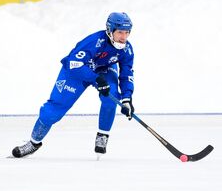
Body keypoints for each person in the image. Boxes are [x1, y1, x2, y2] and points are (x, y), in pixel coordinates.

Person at [12, 12, 135, 159]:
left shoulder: (127, 49)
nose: (124, 37)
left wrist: (127, 99)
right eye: (120, 32)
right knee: (53, 112)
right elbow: (73, 63)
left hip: (103, 70)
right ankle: (34, 142)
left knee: (112, 95)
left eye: (127, 33)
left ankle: (103, 135)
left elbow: (127, 74)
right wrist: (95, 79)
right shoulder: (94, 41)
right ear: (110, 30)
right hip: (77, 71)